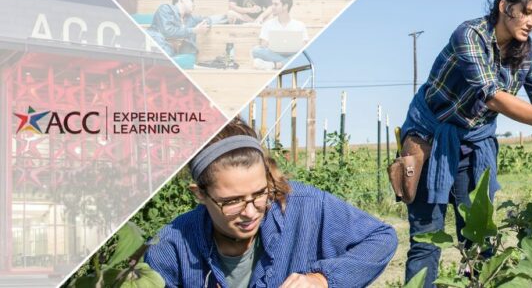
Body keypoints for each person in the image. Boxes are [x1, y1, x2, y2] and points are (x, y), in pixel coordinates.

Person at [400, 0, 532, 287]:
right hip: (428, 141)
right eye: (527, 12)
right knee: (425, 241)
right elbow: (492, 96)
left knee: (479, 239)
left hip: (472, 147)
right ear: (505, 6)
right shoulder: (470, 35)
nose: (531, 22)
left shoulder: (526, 54)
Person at [145, 118, 398, 288]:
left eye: (259, 193)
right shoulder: (170, 246)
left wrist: (322, 279)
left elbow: (381, 238)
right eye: (232, 201)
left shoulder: (304, 207)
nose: (251, 212)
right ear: (199, 193)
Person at [252, 0, 309, 69]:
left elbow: (304, 46)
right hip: (273, 53)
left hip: (292, 53)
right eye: (272, 4)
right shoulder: (268, 24)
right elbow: (263, 45)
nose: (273, 7)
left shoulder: (299, 25)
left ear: (285, 6)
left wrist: (290, 46)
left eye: (276, 4)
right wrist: (274, 42)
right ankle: (285, 63)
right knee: (255, 50)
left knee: (304, 55)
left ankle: (275, 65)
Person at [146, 0, 210, 56]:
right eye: (191, 0)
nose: (194, 4)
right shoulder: (166, 8)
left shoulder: (190, 18)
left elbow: (209, 19)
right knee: (167, 51)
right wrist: (193, 30)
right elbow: (167, 31)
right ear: (181, 0)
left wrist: (208, 22)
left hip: (173, 51)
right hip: (157, 44)